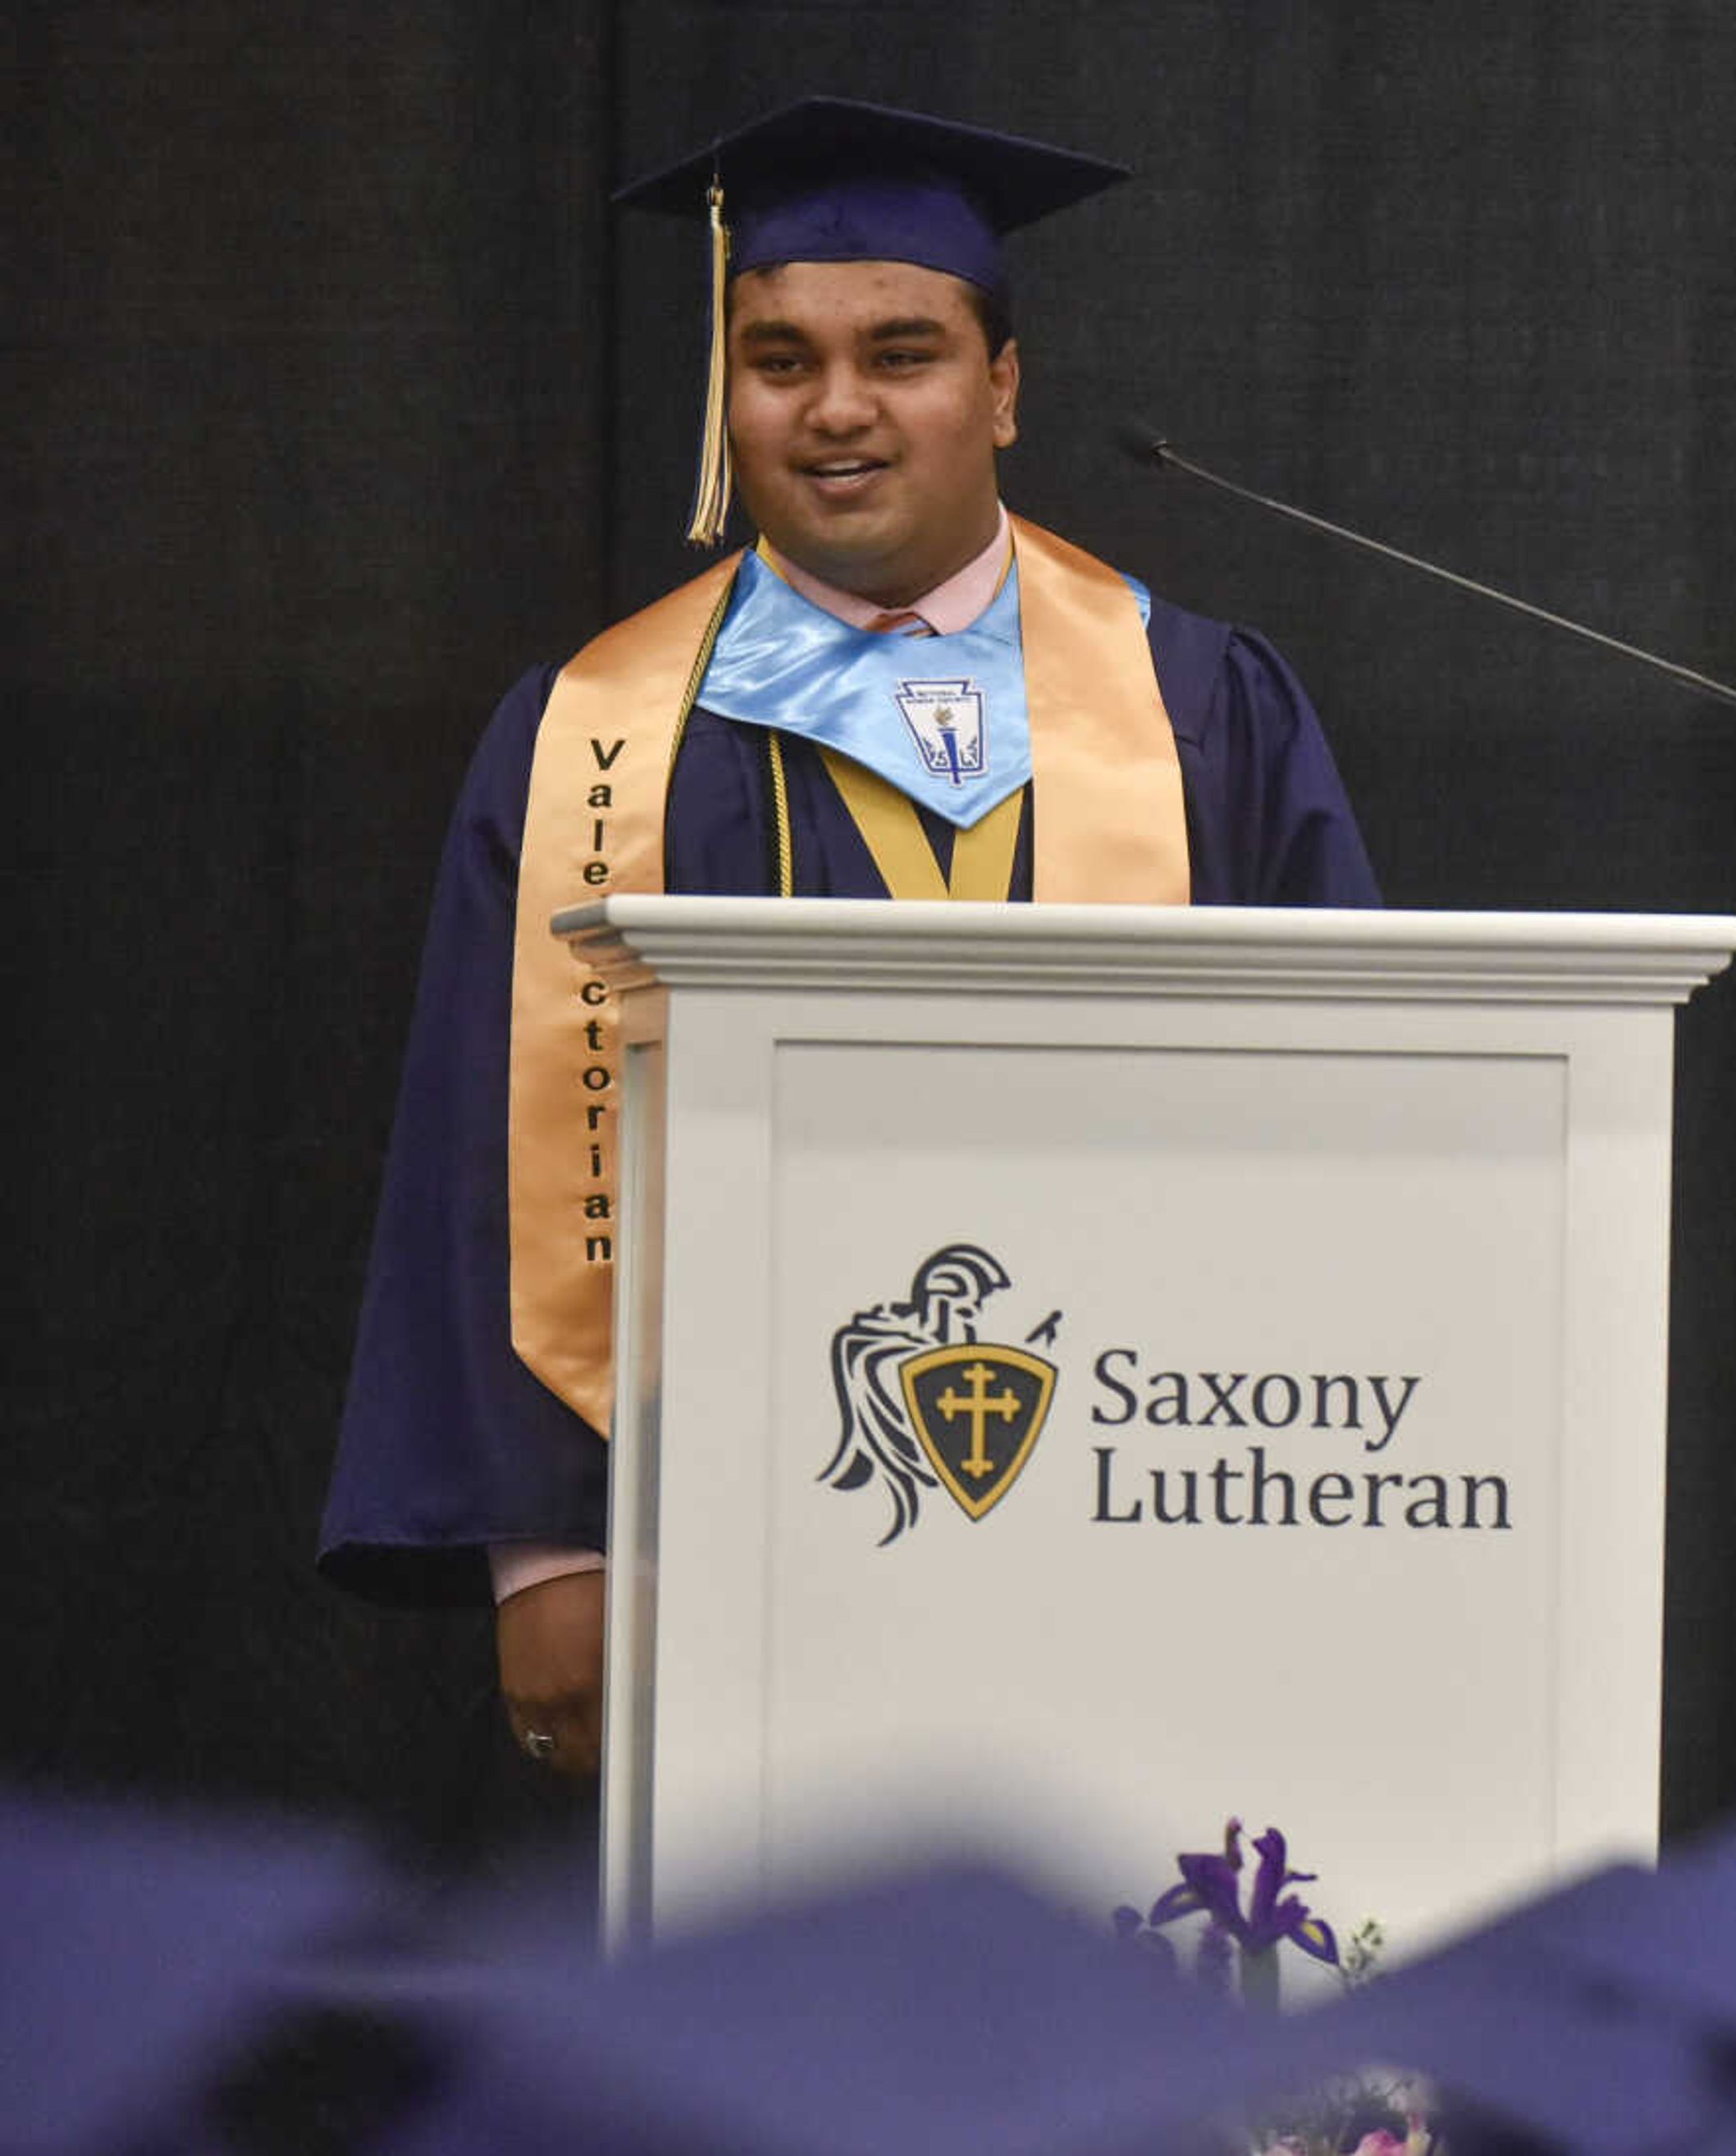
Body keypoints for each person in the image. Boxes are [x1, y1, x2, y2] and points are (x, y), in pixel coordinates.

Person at [319, 99, 1377, 1779]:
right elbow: (488, 1150)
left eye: (903, 354)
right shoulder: (596, 735)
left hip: (1156, 1498)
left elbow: (1350, 1112)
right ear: (729, 394)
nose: (838, 413)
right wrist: (553, 1552)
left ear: (1004, 389)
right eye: (780, 360)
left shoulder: (1198, 711)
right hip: (723, 1540)